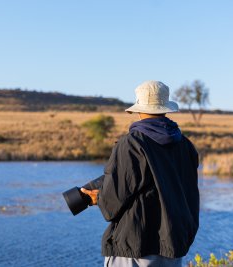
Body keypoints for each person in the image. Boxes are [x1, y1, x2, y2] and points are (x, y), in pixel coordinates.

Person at [81, 81, 200, 267]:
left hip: (134, 247)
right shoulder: (185, 145)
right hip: (172, 247)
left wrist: (97, 197)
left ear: (139, 109)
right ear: (165, 108)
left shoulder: (132, 143)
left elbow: (111, 205)